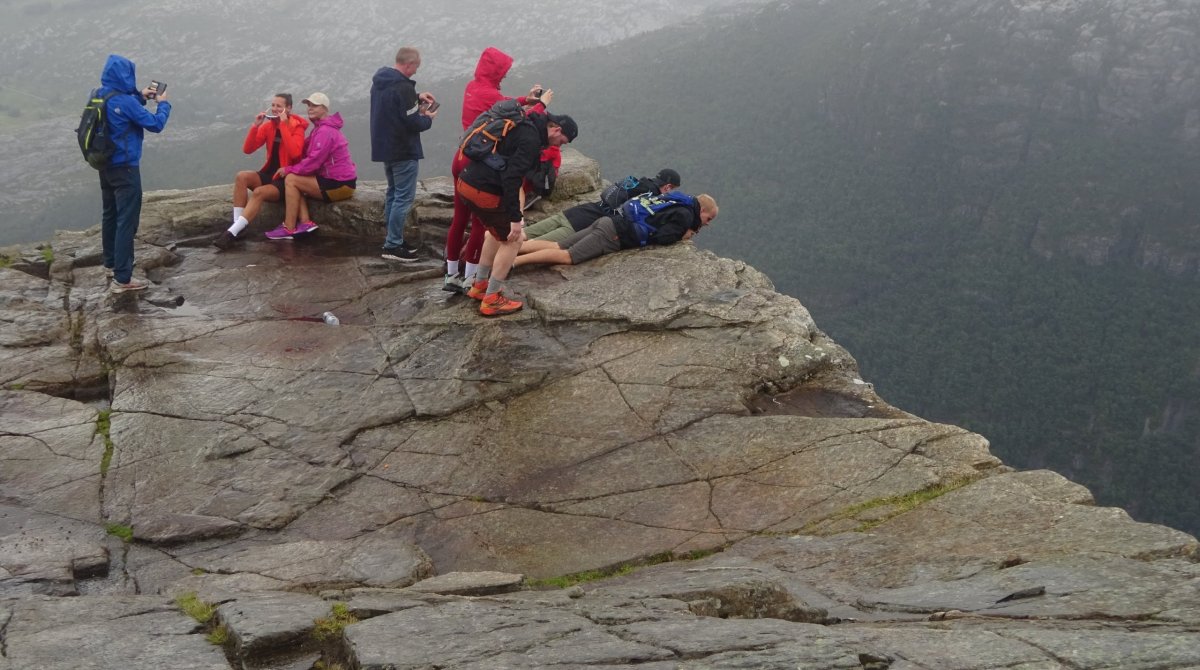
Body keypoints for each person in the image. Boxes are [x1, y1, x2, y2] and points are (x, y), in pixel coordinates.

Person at [444, 47, 551, 291]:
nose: (503, 76)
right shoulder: (491, 94)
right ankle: (472, 276)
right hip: (477, 163)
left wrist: (526, 99)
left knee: (460, 218)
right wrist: (541, 105)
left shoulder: (473, 87)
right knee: (482, 222)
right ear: (495, 71)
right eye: (502, 72)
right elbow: (522, 121)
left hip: (461, 154)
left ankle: (451, 274)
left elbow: (506, 105)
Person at [458, 112, 578, 316]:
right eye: (562, 141)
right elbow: (512, 179)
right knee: (513, 239)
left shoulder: (526, 124)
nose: (560, 145)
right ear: (556, 130)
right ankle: (492, 298)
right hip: (485, 190)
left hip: (468, 183)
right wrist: (516, 219)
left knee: (495, 233)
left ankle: (480, 285)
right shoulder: (531, 140)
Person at [94, 54, 171, 293]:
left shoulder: (98, 94)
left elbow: (118, 109)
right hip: (126, 168)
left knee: (110, 215)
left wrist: (139, 95)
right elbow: (155, 124)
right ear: (127, 75)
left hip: (104, 166)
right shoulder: (126, 102)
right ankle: (123, 278)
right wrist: (163, 103)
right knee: (126, 221)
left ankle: (110, 264)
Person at [515, 193, 717, 268]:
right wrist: (682, 236)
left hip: (608, 221)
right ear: (703, 210)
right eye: (709, 218)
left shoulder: (676, 199)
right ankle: (513, 262)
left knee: (558, 244)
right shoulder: (686, 215)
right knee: (567, 256)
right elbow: (664, 238)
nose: (707, 223)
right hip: (613, 235)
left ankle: (514, 249)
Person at [214, 93, 308, 249]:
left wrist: (284, 125)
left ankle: (231, 233)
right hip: (269, 174)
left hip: (286, 180)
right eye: (273, 105)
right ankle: (238, 227)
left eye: (279, 106)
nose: (275, 109)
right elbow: (248, 149)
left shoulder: (296, 127)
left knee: (258, 193)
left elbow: (295, 153)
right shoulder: (268, 126)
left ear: (289, 108)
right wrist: (255, 126)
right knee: (241, 176)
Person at [371, 46, 437, 262]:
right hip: (403, 149)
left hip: (386, 148)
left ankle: (393, 239)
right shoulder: (403, 87)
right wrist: (428, 117)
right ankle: (392, 245)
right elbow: (412, 121)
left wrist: (417, 97)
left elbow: (394, 107)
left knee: (392, 194)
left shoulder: (381, 82)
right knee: (403, 198)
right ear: (408, 64)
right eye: (416, 67)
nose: (416, 71)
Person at [266, 92, 357, 240]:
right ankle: (305, 223)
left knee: (291, 179)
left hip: (339, 185)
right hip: (338, 181)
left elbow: (313, 162)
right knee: (297, 180)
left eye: (314, 105)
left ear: (324, 109)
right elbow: (301, 150)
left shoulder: (325, 131)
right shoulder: (319, 130)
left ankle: (289, 228)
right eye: (308, 105)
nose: (310, 108)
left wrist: (288, 169)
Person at [521, 169, 681, 245]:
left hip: (578, 211)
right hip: (581, 225)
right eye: (672, 189)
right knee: (530, 246)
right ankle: (498, 264)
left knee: (520, 235)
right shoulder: (650, 195)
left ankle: (497, 254)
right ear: (667, 187)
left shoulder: (640, 182)